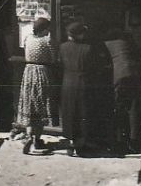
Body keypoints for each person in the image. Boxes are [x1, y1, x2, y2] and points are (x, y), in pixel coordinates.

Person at [58, 21, 110, 157]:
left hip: (67, 82)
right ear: (80, 34)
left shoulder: (62, 47)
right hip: (83, 83)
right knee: (83, 113)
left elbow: (59, 64)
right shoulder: (88, 48)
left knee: (69, 113)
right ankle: (81, 144)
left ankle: (70, 141)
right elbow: (97, 67)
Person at [104, 19, 141, 154]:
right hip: (134, 74)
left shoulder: (107, 44)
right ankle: (134, 142)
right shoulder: (127, 42)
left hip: (120, 77)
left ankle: (118, 141)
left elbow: (106, 63)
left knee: (118, 108)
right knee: (133, 108)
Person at [16, 14, 56, 154]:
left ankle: (30, 137)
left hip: (28, 72)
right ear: (44, 29)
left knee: (30, 104)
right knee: (40, 106)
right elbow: (53, 58)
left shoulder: (28, 38)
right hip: (41, 72)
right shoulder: (47, 40)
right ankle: (35, 142)